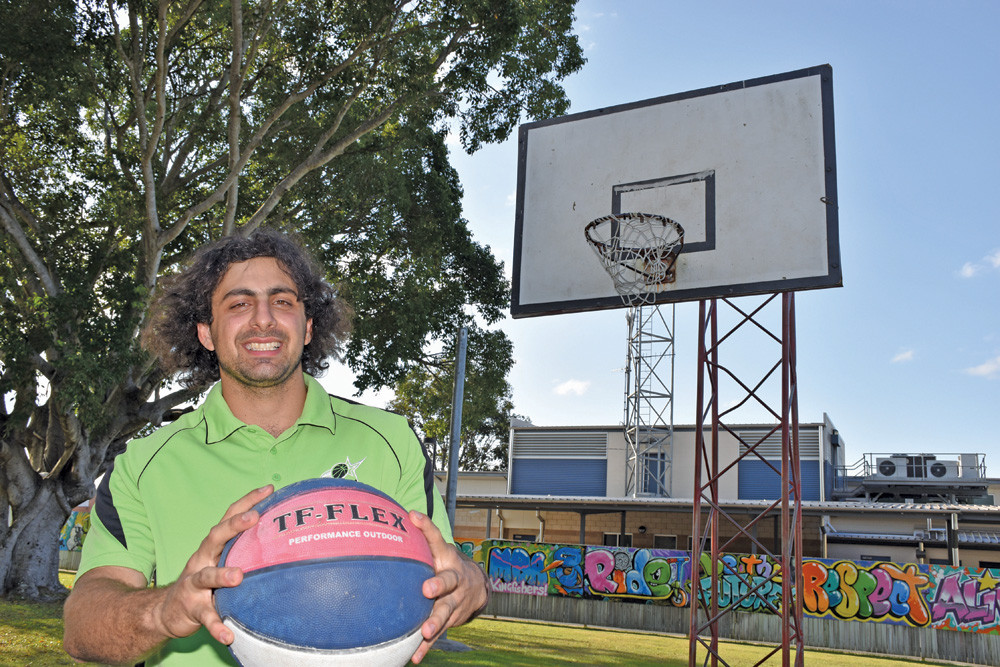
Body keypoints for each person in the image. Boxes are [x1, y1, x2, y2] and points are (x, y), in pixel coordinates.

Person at [63, 229, 489, 666]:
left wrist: (470, 585)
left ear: (307, 327)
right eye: (239, 303)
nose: (263, 319)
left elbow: (455, 573)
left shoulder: (391, 440)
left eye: (282, 301)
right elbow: (82, 629)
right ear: (206, 332)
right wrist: (165, 609)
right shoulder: (143, 464)